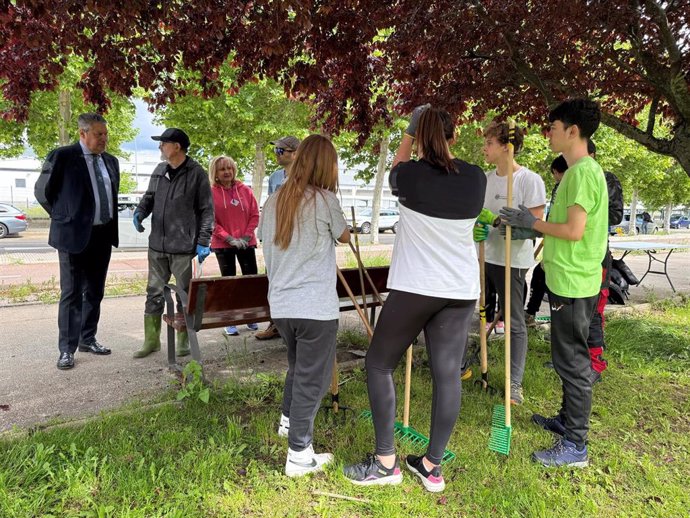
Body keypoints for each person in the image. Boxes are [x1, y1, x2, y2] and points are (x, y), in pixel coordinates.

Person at [344, 106, 486, 492]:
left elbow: (397, 165)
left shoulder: (408, 176)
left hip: (416, 286)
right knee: (447, 374)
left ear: (420, 138)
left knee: (378, 363)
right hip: (459, 291)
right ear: (454, 137)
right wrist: (421, 136)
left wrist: (408, 134)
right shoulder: (476, 178)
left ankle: (386, 462)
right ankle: (431, 466)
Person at [500, 98, 608, 468]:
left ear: (572, 131)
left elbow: (573, 231)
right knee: (567, 356)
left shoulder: (581, 173)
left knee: (572, 361)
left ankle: (576, 444)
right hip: (572, 278)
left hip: (575, 282)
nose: (548, 134)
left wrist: (530, 223)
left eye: (553, 128)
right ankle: (566, 421)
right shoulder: (581, 170)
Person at [257, 134, 349, 477]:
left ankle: (287, 422)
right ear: (326, 166)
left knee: (298, 367)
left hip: (281, 305)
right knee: (315, 378)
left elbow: (265, 240)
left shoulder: (274, 200)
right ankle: (299, 454)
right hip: (315, 307)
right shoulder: (325, 201)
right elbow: (344, 236)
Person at [34, 113, 120, 370]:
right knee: (71, 294)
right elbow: (43, 192)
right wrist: (65, 218)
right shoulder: (62, 156)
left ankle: (87, 338)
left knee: (95, 291)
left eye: (105, 134)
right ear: (83, 134)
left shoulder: (111, 161)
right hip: (72, 236)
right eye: (98, 134)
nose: (103, 139)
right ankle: (66, 349)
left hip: (102, 235)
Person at [473, 120, 546, 405]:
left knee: (513, 321)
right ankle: (474, 364)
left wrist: (502, 224)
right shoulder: (487, 180)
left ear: (507, 147)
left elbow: (536, 226)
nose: (485, 148)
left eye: (490, 143)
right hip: (484, 256)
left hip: (512, 261)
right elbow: (477, 214)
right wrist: (479, 227)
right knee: (479, 314)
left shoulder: (529, 180)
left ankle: (514, 383)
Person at [132, 128, 214, 359]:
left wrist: (203, 241)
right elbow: (149, 197)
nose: (160, 147)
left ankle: (183, 340)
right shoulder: (160, 170)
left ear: (176, 146)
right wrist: (140, 212)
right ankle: (151, 341)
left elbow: (207, 210)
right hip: (157, 245)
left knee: (184, 295)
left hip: (183, 248)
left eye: (163, 143)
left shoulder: (196, 173)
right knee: (153, 292)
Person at [585, 139, 624, 383]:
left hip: (595, 255)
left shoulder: (605, 178)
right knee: (574, 313)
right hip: (568, 260)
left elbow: (616, 215)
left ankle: (596, 363)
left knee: (593, 311)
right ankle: (577, 359)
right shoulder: (569, 178)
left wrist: (584, 213)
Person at [208, 155, 260, 336]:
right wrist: (228, 238)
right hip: (224, 245)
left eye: (229, 168)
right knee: (228, 282)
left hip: (246, 243)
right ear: (215, 172)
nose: (227, 172)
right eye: (222, 169)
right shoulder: (211, 193)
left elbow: (254, 214)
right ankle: (230, 319)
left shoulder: (245, 190)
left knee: (250, 280)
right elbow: (211, 221)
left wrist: (246, 237)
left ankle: (251, 315)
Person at [255, 135, 301, 341]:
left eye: (281, 151)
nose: (277, 154)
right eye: (276, 151)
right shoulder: (274, 178)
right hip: (276, 240)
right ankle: (276, 324)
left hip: (297, 240)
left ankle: (296, 327)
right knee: (274, 282)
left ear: (295, 154)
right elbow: (270, 207)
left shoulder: (306, 177)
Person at [524, 155, 568, 325]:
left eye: (554, 174)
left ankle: (538, 315)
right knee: (539, 275)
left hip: (562, 249)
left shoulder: (567, 187)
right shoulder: (560, 187)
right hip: (553, 242)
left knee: (544, 279)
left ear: (556, 172)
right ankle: (531, 313)